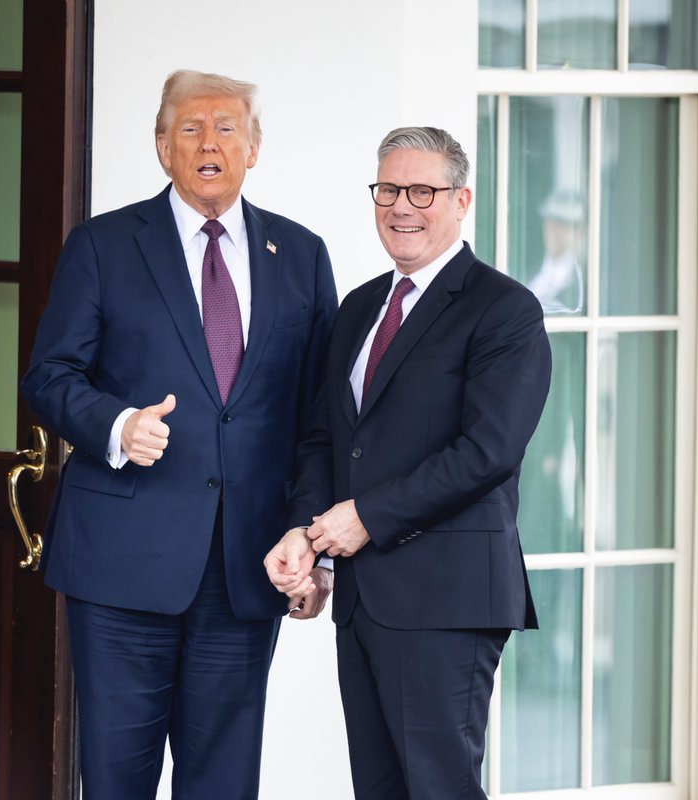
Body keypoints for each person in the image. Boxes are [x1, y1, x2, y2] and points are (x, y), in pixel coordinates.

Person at [20, 69, 337, 799]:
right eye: (189, 128)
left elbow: (317, 422)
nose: (208, 143)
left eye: (227, 128)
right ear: (161, 146)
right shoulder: (102, 245)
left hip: (247, 567)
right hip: (122, 568)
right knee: (117, 778)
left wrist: (309, 542)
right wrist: (117, 424)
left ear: (254, 148)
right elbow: (50, 373)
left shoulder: (301, 255)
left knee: (222, 782)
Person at [266, 126, 552, 799]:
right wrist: (308, 539)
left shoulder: (504, 310)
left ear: (460, 200)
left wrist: (365, 518)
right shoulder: (360, 306)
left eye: (421, 190)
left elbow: (487, 452)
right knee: (380, 790)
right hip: (364, 600)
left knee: (439, 788)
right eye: (388, 189)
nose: (401, 206)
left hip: (445, 599)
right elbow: (322, 439)